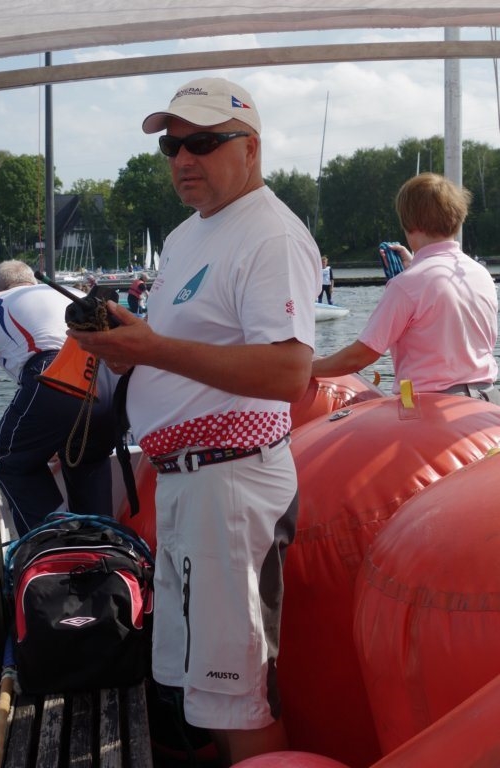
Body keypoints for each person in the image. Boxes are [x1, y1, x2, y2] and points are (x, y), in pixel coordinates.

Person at [68, 77, 321, 765]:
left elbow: (288, 373)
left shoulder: (271, 236)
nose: (183, 158)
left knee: (237, 694)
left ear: (251, 148)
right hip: (188, 483)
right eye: (171, 146)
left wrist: (150, 349)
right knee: (206, 690)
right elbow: (182, 348)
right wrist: (125, 346)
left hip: (231, 489)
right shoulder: (187, 236)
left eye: (204, 143)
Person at [312, 172, 500, 401]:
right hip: (487, 400)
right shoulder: (480, 274)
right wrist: (413, 266)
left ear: (409, 223)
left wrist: (307, 369)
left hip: (431, 405)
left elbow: (360, 356)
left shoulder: (406, 285)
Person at [0, 260, 119, 536]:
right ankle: (102, 544)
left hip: (58, 374)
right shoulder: (68, 292)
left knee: (7, 459)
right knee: (86, 458)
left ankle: (55, 546)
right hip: (110, 381)